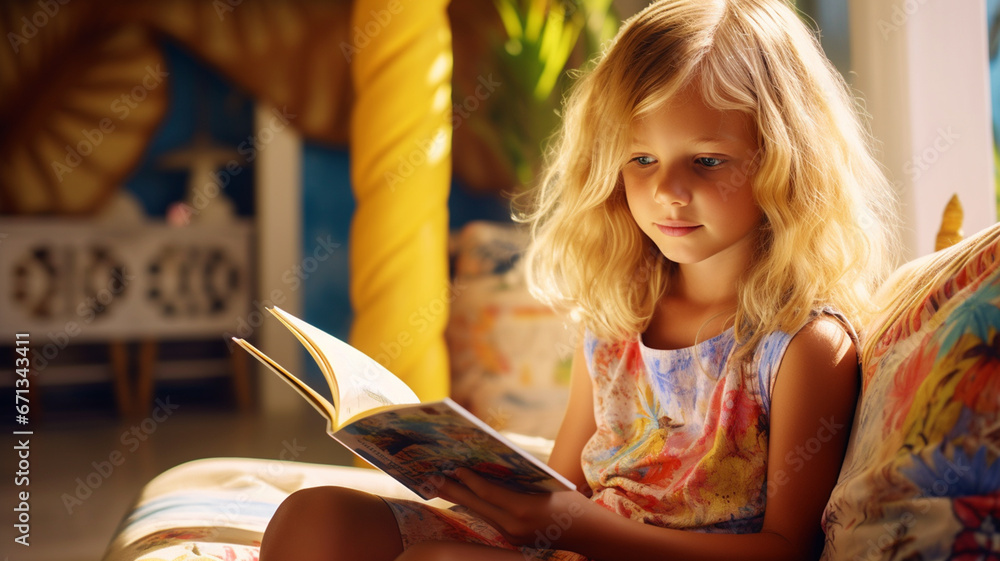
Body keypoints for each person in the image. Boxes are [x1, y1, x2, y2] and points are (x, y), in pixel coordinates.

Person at [259, 0, 898, 559]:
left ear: (787, 164)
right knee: (316, 517)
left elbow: (789, 552)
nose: (668, 191)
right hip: (577, 546)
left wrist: (577, 527)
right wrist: (481, 484)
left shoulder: (803, 346)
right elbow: (566, 488)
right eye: (641, 159)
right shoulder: (618, 319)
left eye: (707, 161)